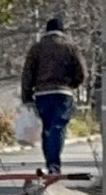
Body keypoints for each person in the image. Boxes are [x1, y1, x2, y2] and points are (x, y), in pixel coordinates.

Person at [21, 17, 88, 171]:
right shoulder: (70, 47)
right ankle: (54, 164)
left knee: (46, 129)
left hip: (42, 94)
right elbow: (82, 73)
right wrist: (72, 84)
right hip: (63, 93)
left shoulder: (36, 48)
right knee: (57, 127)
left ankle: (51, 163)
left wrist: (27, 97)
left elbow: (27, 74)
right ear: (62, 31)